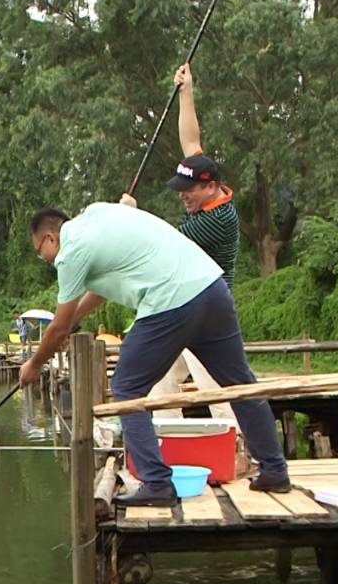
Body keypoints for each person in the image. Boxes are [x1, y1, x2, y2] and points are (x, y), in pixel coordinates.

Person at [18, 195, 289, 506]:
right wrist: (69, 325)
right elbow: (97, 291)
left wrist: (35, 364)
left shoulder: (71, 252)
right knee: (240, 384)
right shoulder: (99, 214)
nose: (46, 259)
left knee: (127, 386)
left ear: (51, 237)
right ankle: (275, 471)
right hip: (211, 288)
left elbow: (57, 327)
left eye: (41, 253)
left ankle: (157, 483)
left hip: (171, 300)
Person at [149, 62, 242, 420]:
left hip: (208, 316)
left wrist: (129, 214)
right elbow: (192, 143)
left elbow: (163, 245)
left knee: (218, 393)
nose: (181, 197)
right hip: (183, 307)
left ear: (209, 187)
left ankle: (237, 451)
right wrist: (187, 93)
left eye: (188, 191)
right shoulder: (209, 194)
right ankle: (162, 447)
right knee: (158, 384)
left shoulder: (217, 220)